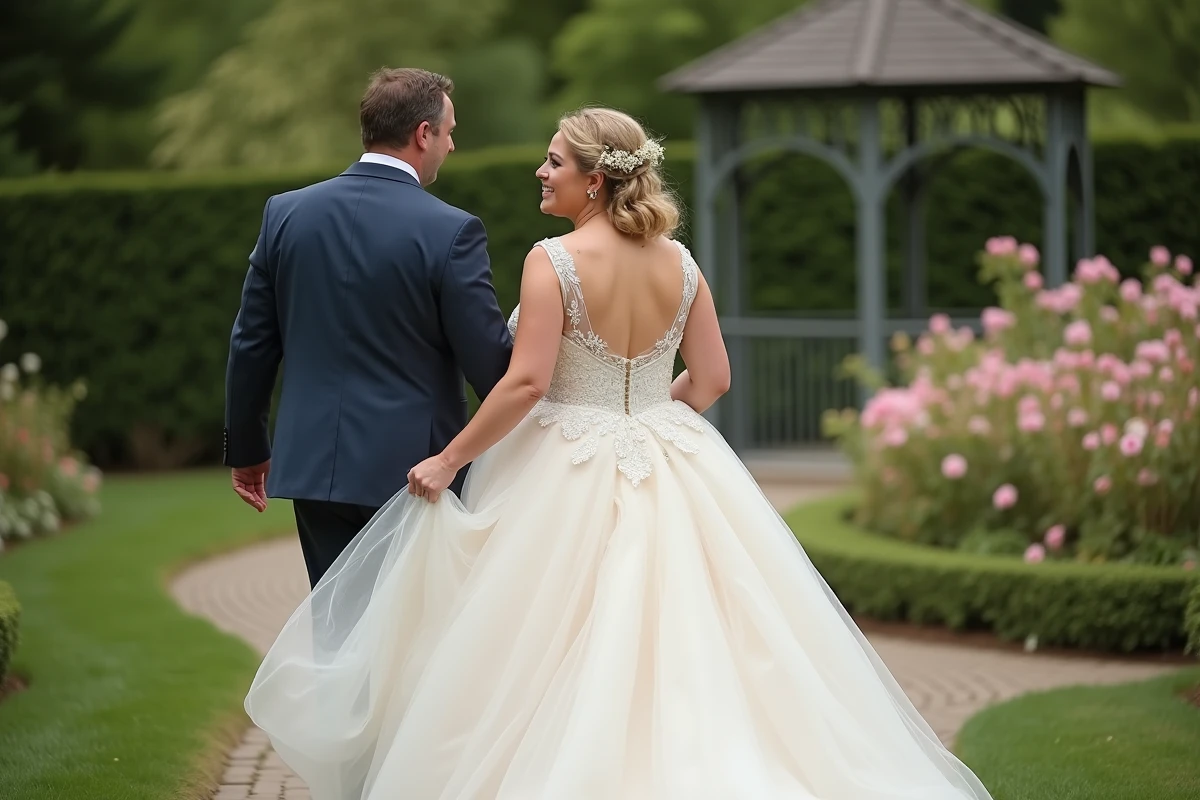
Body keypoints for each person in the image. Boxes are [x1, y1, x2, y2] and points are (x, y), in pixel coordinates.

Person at [243, 106, 995, 800]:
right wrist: (641, 416)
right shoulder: (683, 263)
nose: (541, 172)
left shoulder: (554, 260)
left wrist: (449, 458)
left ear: (594, 180)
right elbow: (713, 379)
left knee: (539, 641)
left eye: (554, 162)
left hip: (561, 465)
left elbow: (527, 382)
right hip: (672, 455)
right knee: (695, 633)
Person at [222, 68, 513, 589]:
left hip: (313, 468)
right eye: (449, 131)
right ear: (423, 134)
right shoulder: (451, 230)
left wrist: (247, 451)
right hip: (414, 474)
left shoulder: (285, 214)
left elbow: (251, 344)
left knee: (338, 634)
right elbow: (491, 364)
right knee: (412, 640)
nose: (451, 144)